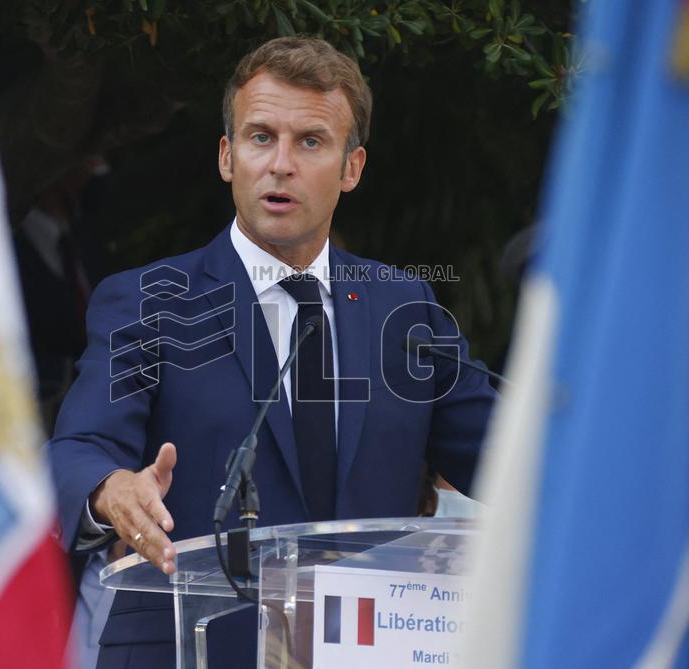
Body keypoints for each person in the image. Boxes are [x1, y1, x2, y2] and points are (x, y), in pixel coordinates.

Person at [48, 36, 497, 668]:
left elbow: (515, 452)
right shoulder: (151, 300)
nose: (280, 163)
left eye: (310, 141)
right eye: (261, 137)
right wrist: (111, 488)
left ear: (352, 167)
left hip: (370, 648)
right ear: (228, 157)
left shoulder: (404, 308)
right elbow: (77, 450)